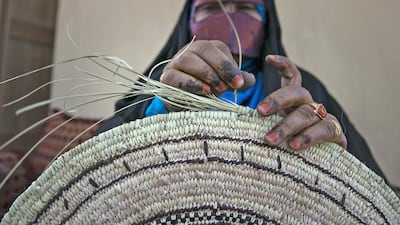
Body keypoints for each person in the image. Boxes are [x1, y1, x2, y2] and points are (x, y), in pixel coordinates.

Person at [96, 0, 386, 180]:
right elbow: (97, 160)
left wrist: (329, 154)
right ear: (187, 25)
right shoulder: (162, 82)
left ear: (268, 24)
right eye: (210, 7)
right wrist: (162, 107)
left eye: (247, 7)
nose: (229, 19)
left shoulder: (302, 90)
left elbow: (373, 195)